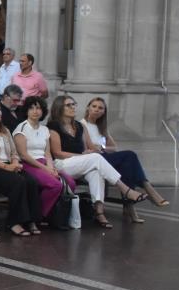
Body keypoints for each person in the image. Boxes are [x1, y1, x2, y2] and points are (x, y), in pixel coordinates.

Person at [47, 95, 147, 228]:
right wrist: (82, 155)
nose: (73, 107)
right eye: (69, 105)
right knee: (95, 158)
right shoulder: (54, 125)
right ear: (60, 107)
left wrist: (94, 150)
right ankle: (126, 189)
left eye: (74, 104)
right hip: (62, 163)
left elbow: (89, 147)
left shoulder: (78, 126)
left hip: (80, 163)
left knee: (96, 170)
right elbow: (57, 153)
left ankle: (99, 212)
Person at [81, 97, 168, 208]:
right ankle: (145, 191)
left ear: (104, 112)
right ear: (88, 108)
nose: (97, 109)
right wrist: (101, 148)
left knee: (127, 166)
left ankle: (130, 206)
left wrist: (102, 147)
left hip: (105, 157)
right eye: (94, 106)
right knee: (130, 155)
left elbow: (114, 147)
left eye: (100, 108)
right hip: (94, 159)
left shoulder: (102, 127)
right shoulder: (82, 124)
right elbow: (92, 148)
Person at [0, 99, 42, 236]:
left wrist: (15, 163)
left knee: (32, 181)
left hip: (9, 165)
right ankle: (13, 222)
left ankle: (30, 220)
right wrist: (7, 168)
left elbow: (14, 152)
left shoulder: (5, 130)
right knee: (17, 182)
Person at [13, 96, 76, 222]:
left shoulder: (45, 129)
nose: (35, 111)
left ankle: (53, 214)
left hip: (44, 164)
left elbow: (47, 153)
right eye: (31, 108)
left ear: (43, 111)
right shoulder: (21, 128)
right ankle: (38, 215)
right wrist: (46, 168)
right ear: (26, 111)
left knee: (71, 183)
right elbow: (24, 155)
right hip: (28, 165)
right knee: (55, 185)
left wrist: (51, 168)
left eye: (38, 108)